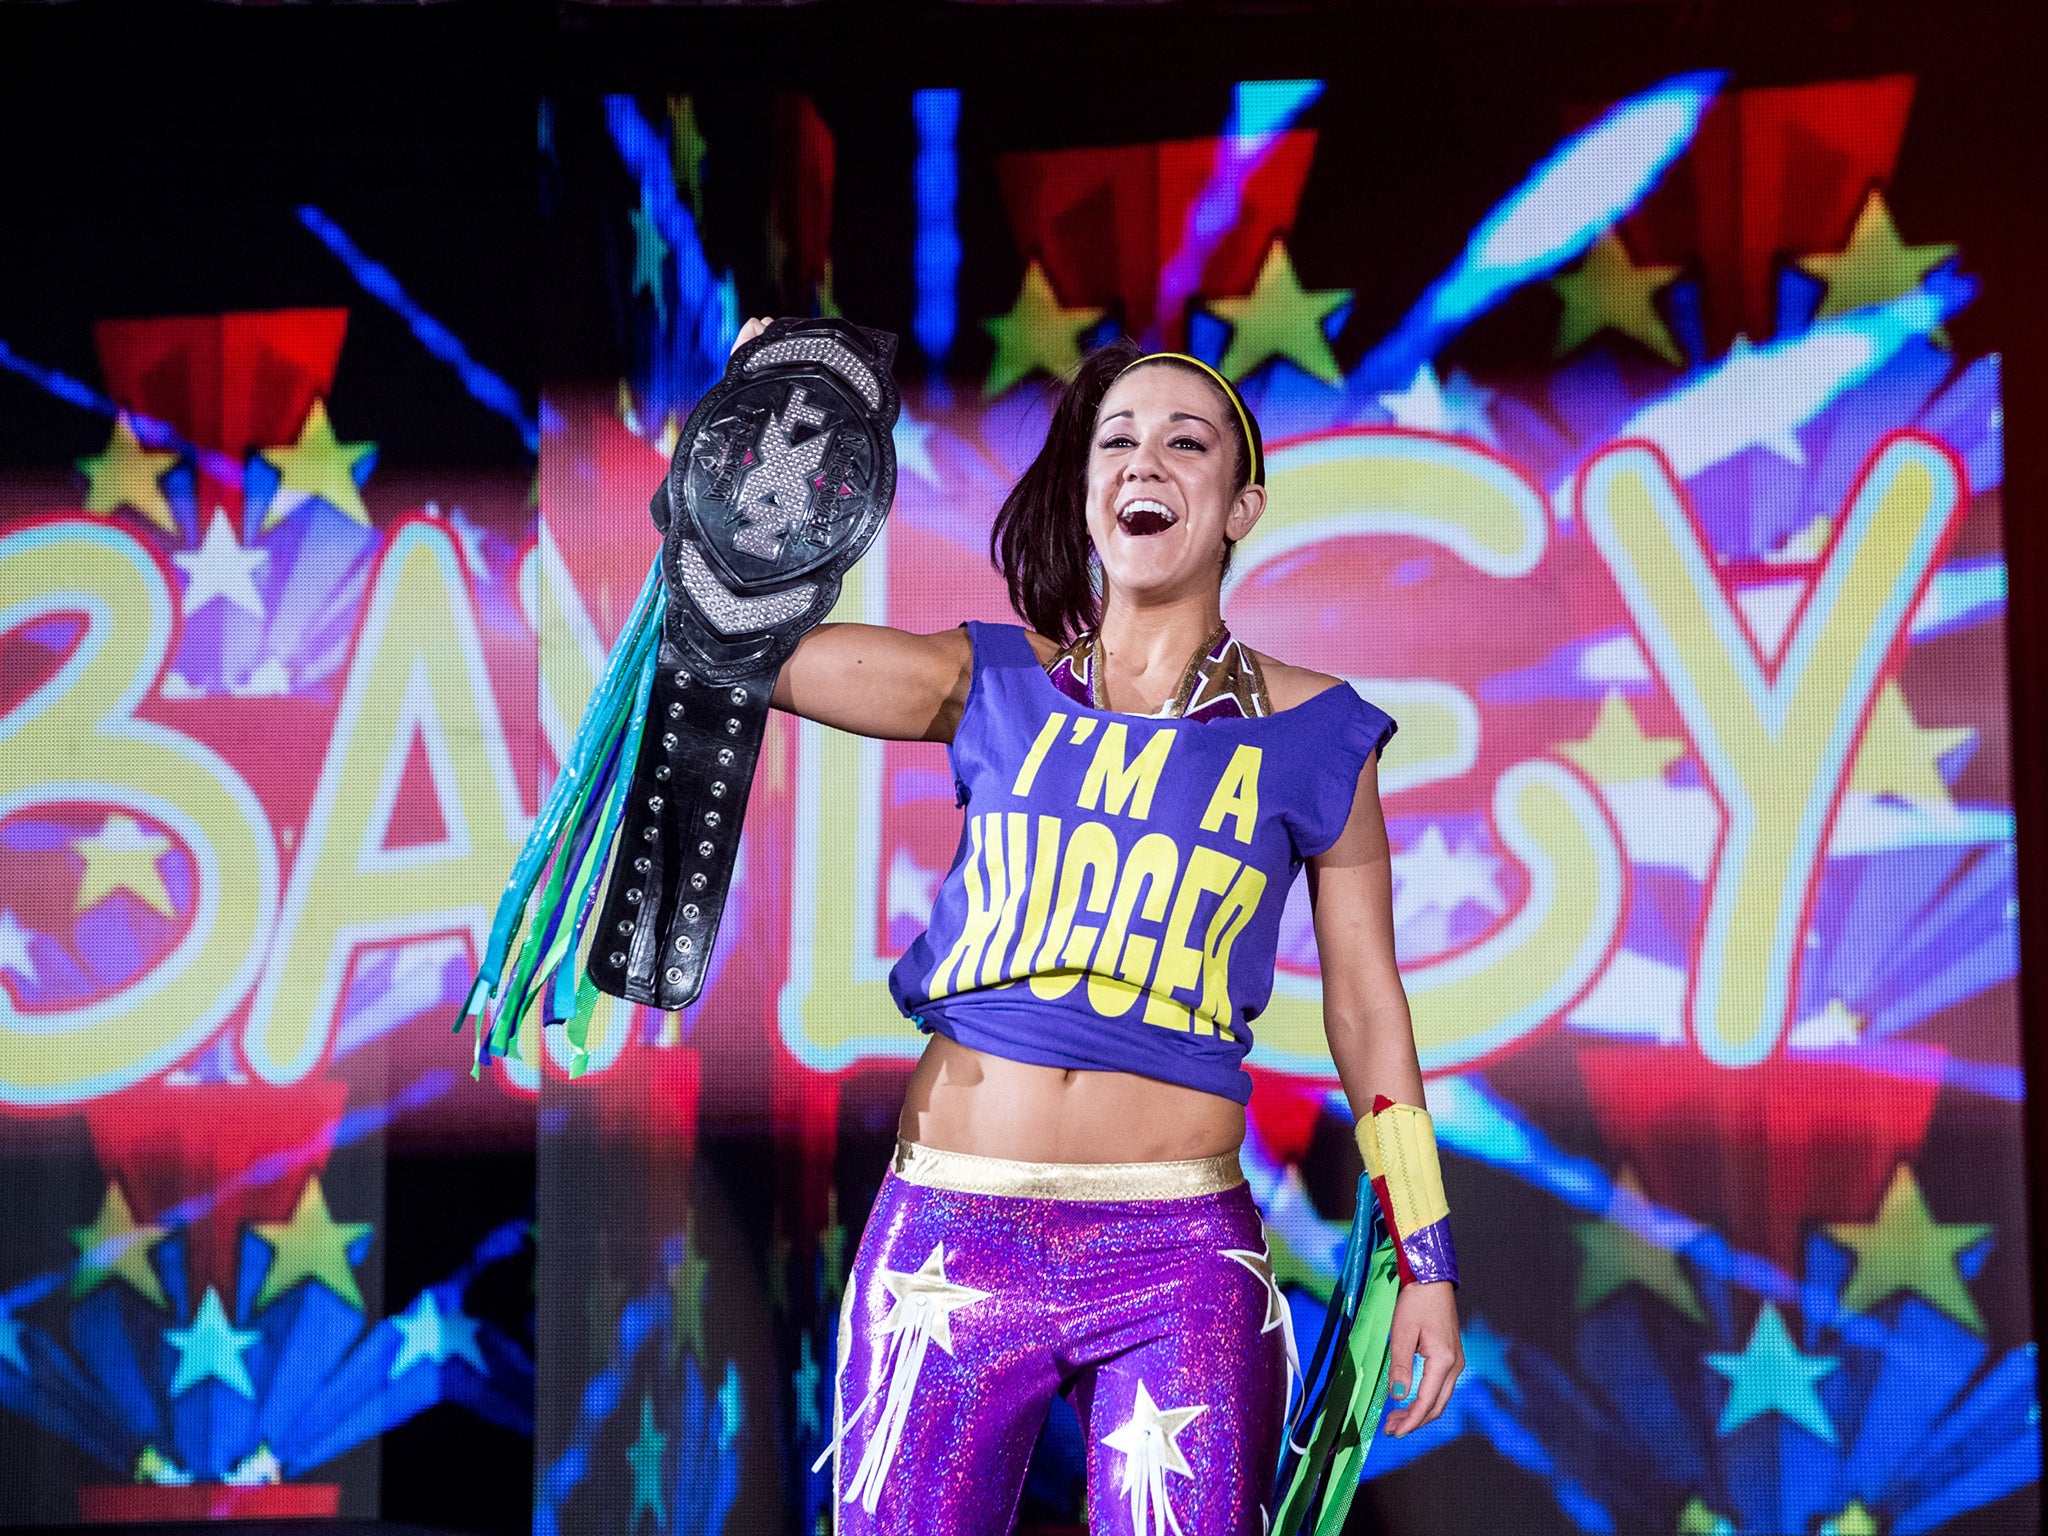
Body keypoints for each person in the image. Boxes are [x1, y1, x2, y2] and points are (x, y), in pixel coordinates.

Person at [746, 315, 1463, 1535]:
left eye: (1186, 443)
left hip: (1177, 1255)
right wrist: (757, 436)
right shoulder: (990, 680)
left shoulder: (1320, 733)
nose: (1145, 460)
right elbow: (740, 649)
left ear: (1238, 507)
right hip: (947, 1239)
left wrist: (1425, 1263)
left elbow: (1365, 1013)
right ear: (1085, 496)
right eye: (1116, 440)